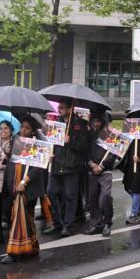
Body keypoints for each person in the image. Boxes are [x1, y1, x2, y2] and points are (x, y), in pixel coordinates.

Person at [2, 117, 47, 264]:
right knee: (20, 218)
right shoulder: (16, 141)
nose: (23, 130)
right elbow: (13, 161)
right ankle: (31, 247)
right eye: (22, 127)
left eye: (27, 128)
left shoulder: (39, 144)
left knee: (22, 219)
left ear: (33, 130)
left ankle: (15, 252)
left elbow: (38, 168)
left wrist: (24, 181)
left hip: (28, 188)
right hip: (13, 186)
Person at [46, 101, 90, 236]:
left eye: (62, 107)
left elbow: (84, 146)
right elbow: (51, 141)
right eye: (59, 107)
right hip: (57, 164)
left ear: (70, 109)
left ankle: (68, 224)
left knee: (71, 196)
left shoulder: (80, 124)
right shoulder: (57, 122)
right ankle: (58, 222)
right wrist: (49, 152)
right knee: (51, 192)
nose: (59, 109)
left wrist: (70, 141)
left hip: (72, 166)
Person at [84, 113, 115, 237]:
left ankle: (107, 222)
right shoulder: (89, 134)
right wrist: (91, 164)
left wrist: (102, 166)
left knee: (105, 198)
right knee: (93, 199)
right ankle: (96, 224)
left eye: (98, 121)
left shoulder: (111, 134)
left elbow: (114, 153)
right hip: (92, 171)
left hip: (105, 171)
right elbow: (86, 151)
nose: (96, 124)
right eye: (94, 121)